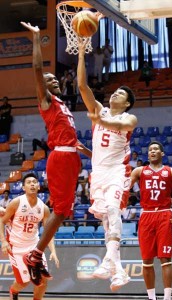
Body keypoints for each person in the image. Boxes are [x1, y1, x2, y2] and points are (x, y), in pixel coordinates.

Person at [19, 21, 83, 286]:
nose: (53, 79)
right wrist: (36, 39)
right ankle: (34, 255)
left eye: (55, 78)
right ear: (42, 87)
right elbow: (36, 69)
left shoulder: (62, 105)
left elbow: (76, 143)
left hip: (72, 156)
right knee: (59, 210)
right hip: (60, 157)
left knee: (64, 211)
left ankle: (36, 254)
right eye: (49, 79)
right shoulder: (45, 101)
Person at [77, 38, 137, 292]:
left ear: (126, 103)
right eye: (115, 91)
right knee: (105, 220)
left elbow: (119, 127)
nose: (115, 94)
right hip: (98, 173)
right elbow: (82, 85)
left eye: (121, 94)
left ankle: (109, 260)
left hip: (117, 172)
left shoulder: (129, 117)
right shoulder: (99, 110)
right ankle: (119, 272)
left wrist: (98, 120)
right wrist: (81, 54)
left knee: (113, 208)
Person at [130, 141, 172, 300]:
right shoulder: (139, 171)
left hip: (164, 215)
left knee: (165, 259)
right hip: (146, 214)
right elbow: (124, 187)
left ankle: (167, 298)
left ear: (162, 153)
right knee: (146, 260)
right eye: (150, 150)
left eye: (155, 149)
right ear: (147, 154)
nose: (152, 151)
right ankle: (151, 298)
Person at [0, 173, 59, 300]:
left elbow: (48, 232)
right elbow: (2, 221)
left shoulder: (43, 208)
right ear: (23, 187)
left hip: (34, 247)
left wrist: (53, 251)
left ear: (38, 186)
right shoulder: (16, 202)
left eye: (34, 182)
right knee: (23, 283)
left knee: (43, 279)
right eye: (28, 182)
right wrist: (3, 241)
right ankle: (13, 290)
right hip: (16, 247)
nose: (32, 184)